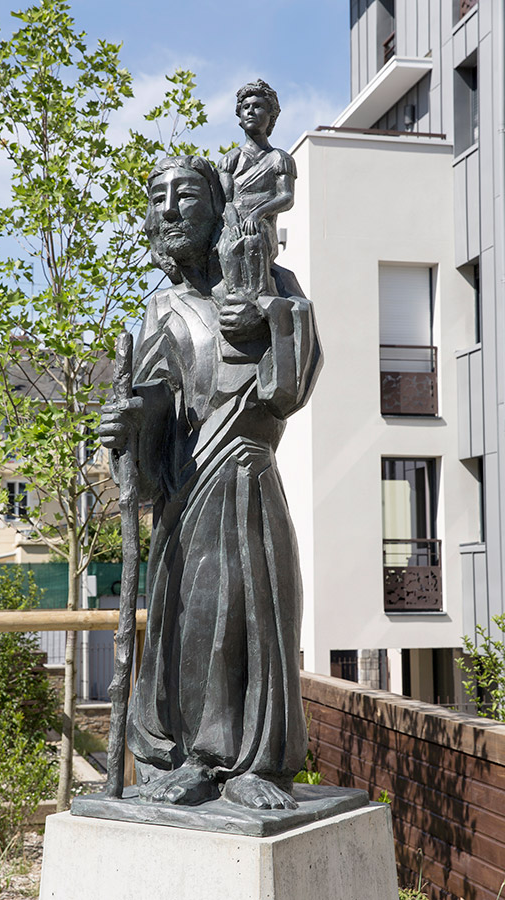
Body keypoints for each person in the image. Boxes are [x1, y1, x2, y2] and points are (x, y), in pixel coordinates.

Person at [99, 155, 322, 810]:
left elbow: (287, 388)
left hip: (245, 481)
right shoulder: (162, 309)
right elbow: (156, 413)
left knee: (247, 618)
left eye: (186, 194)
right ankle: (190, 758)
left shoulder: (268, 287)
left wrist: (267, 311)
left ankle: (251, 765)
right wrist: (129, 425)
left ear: (219, 207)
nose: (168, 207)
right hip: (183, 500)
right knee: (189, 625)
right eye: (156, 195)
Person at [217, 80, 296, 299]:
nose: (251, 111)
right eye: (246, 107)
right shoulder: (230, 160)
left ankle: (260, 297)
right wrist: (233, 223)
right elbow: (226, 201)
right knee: (227, 246)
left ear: (271, 116)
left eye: (258, 106)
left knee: (255, 240)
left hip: (262, 226)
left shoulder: (280, 158)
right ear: (240, 117)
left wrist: (258, 213)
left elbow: (287, 197)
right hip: (233, 224)